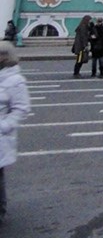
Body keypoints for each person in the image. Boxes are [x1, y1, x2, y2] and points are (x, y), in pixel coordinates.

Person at [0, 41, 30, 223]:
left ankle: (0, 210)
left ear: (4, 57)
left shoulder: (14, 80)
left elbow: (21, 108)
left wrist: (4, 126)